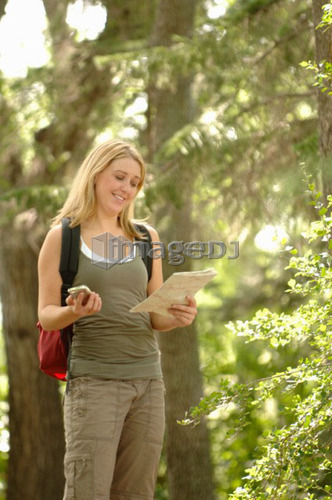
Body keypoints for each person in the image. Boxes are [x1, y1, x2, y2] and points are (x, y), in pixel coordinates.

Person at [37, 139, 197, 500]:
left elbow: (154, 312)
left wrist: (176, 317)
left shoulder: (145, 238)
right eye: (119, 177)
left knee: (136, 494)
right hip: (94, 383)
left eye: (134, 183)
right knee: (87, 492)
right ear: (95, 175)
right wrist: (74, 311)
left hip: (148, 384)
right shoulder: (63, 237)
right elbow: (46, 317)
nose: (126, 188)